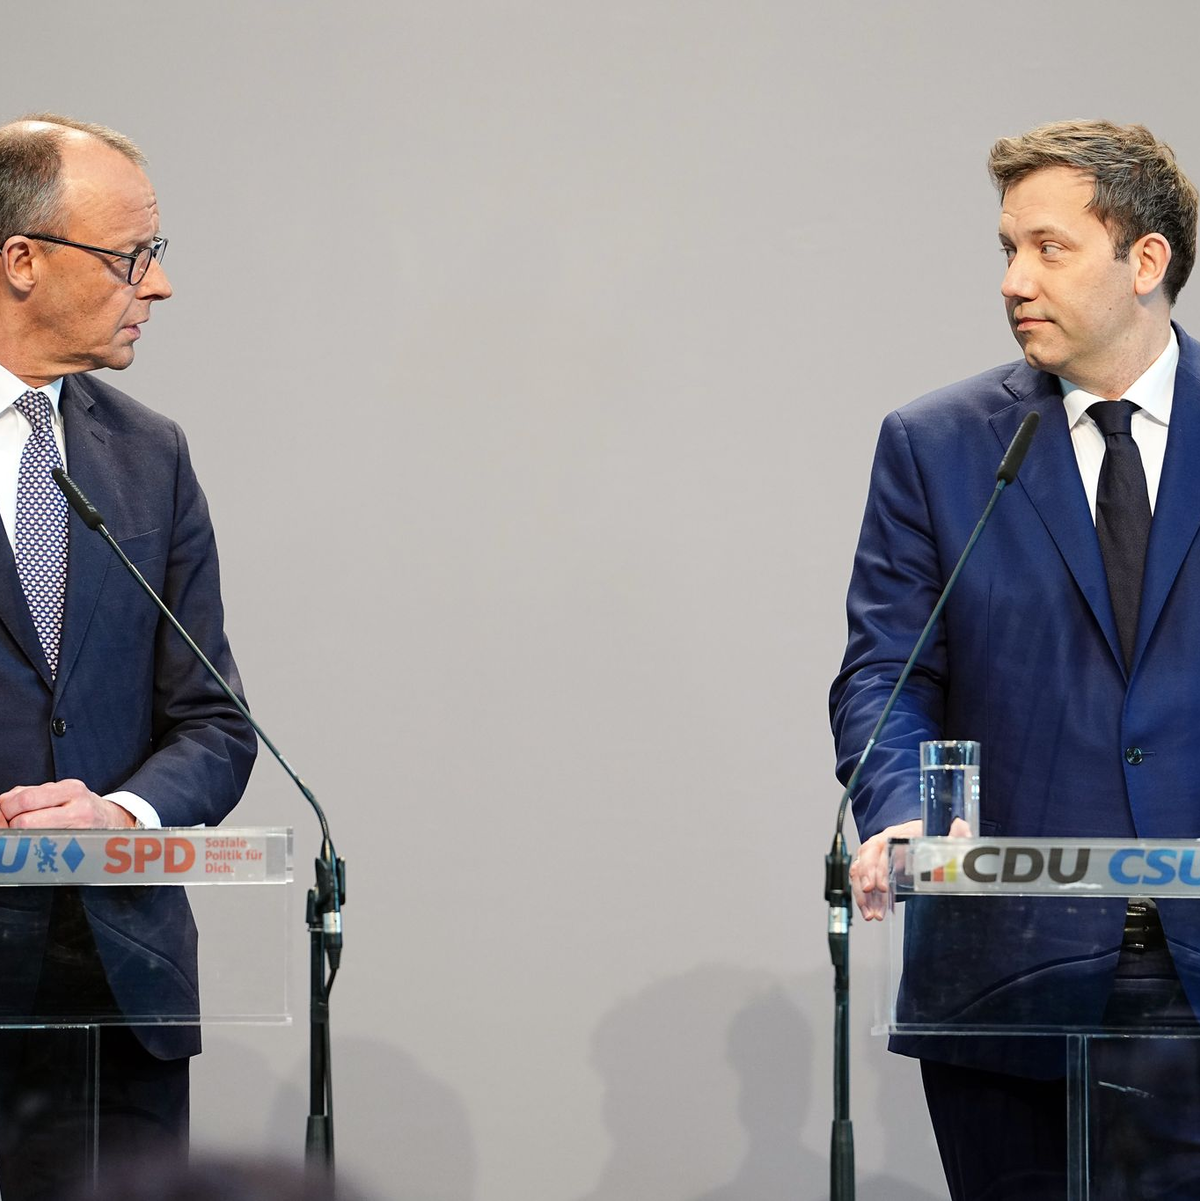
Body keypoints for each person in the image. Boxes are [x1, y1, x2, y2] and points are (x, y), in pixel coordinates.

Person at [831, 120, 1200, 1199]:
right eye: (1007, 249)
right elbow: (884, 672)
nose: (1013, 280)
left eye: (1048, 247)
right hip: (1016, 969)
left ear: (1146, 260)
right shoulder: (939, 444)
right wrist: (898, 805)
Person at [0, 114, 256, 1198]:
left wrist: (119, 817)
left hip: (121, 994)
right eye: (128, 257)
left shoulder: (148, 454)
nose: (155, 288)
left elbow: (215, 724)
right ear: (22, 261)